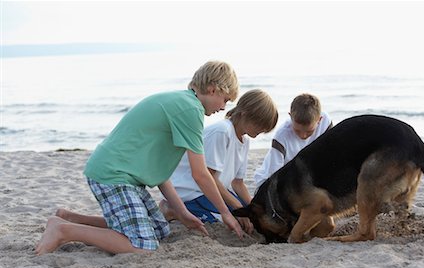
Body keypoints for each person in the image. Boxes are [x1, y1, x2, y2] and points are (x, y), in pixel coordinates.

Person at [35, 61, 245, 255]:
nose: (223, 107)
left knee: (159, 229)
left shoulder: (182, 102)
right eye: (225, 100)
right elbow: (200, 174)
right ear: (213, 89)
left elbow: (160, 172)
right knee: (143, 245)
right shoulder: (191, 110)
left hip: (124, 176)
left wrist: (181, 212)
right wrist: (225, 212)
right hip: (112, 175)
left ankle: (70, 218)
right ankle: (64, 230)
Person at [159, 89, 278, 234]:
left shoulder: (245, 141)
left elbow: (238, 183)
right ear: (245, 114)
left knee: (249, 219)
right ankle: (172, 210)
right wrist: (238, 209)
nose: (263, 130)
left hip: (214, 190)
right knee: (226, 222)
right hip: (192, 190)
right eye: (261, 125)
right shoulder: (222, 131)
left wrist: (254, 209)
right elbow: (209, 178)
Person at [254, 93, 333, 188]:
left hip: (307, 174)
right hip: (274, 178)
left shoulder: (326, 123)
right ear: (290, 116)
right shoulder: (281, 136)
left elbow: (331, 155)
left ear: (319, 120)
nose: (303, 135)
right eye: (297, 130)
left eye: (309, 131)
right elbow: (274, 174)